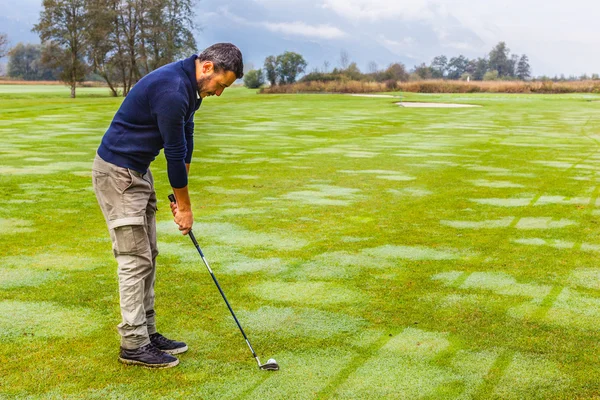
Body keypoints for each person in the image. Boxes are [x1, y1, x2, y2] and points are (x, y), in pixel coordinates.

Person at [92, 43, 243, 368]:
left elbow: (186, 133)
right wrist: (185, 207)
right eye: (221, 85)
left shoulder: (191, 89)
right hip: (118, 175)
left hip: (137, 170)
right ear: (207, 68)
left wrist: (180, 191)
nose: (219, 93)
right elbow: (173, 153)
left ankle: (146, 331)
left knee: (149, 254)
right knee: (134, 259)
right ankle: (133, 343)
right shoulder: (174, 90)